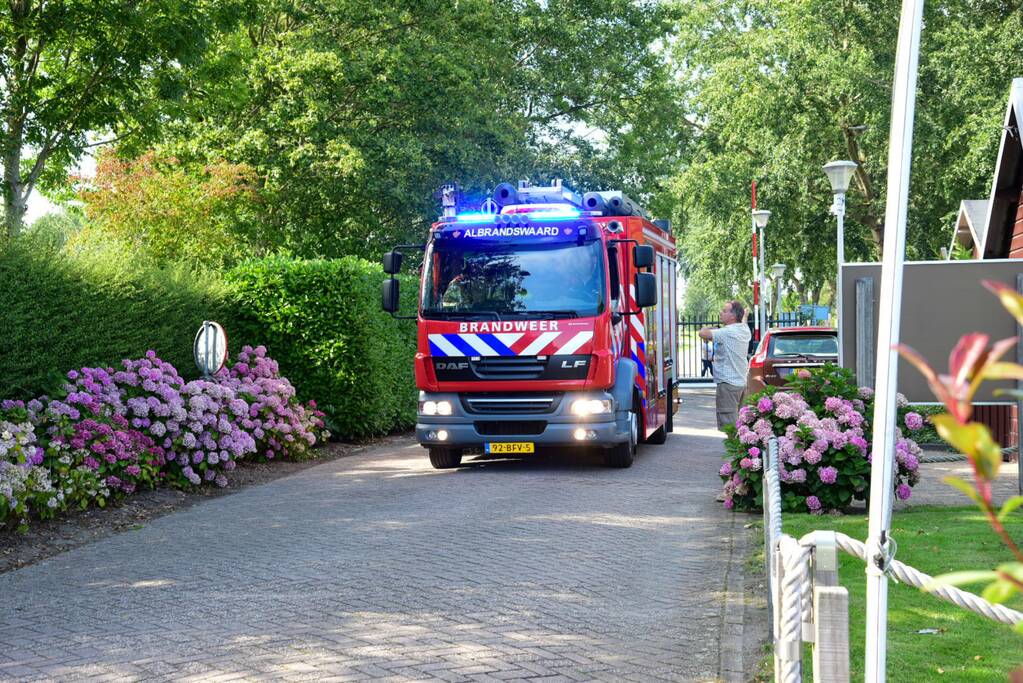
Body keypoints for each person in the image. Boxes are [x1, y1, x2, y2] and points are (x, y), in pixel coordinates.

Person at [698, 301, 752, 430]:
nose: (721, 313)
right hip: (741, 383)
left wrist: (709, 327)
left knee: (729, 425)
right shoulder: (744, 329)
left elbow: (702, 333)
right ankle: (741, 442)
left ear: (733, 316)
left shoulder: (726, 332)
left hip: (728, 384)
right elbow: (743, 321)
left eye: (724, 311)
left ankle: (734, 443)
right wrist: (745, 315)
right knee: (740, 423)